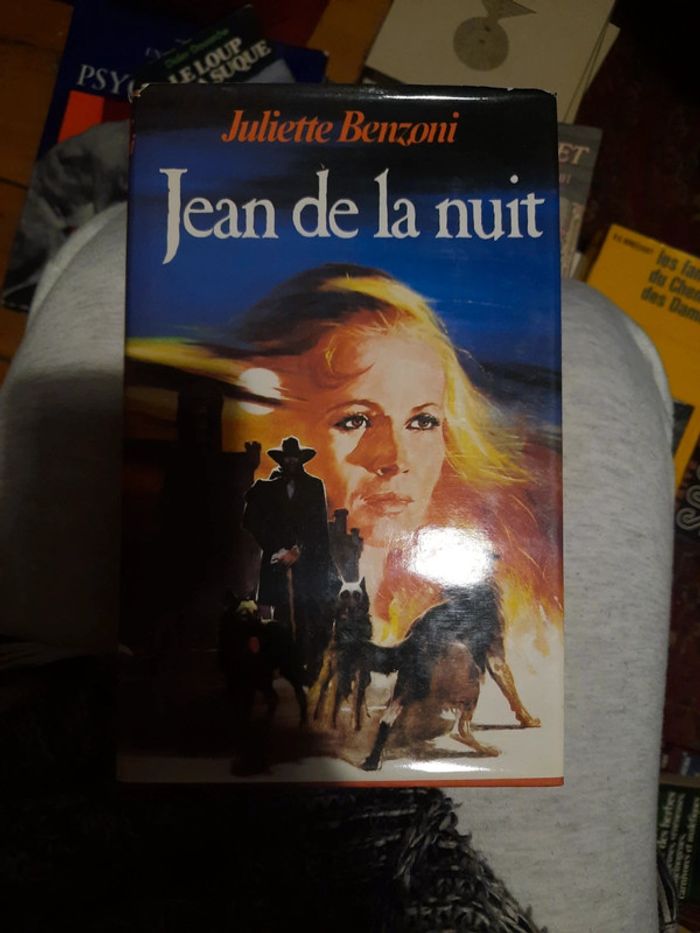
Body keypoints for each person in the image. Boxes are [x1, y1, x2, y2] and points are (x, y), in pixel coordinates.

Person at [131, 263, 561, 721]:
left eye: (422, 421)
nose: (396, 457)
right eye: (355, 420)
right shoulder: (232, 563)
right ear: (283, 426)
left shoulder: (522, 617)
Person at [242, 435, 339, 685]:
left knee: (307, 614)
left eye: (295, 457)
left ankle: (308, 668)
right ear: (282, 460)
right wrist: (276, 549)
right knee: (281, 615)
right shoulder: (268, 487)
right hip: (278, 562)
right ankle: (286, 665)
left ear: (301, 460)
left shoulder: (314, 486)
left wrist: (298, 550)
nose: (291, 461)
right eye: (287, 458)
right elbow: (251, 520)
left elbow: (318, 527)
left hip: (308, 564)